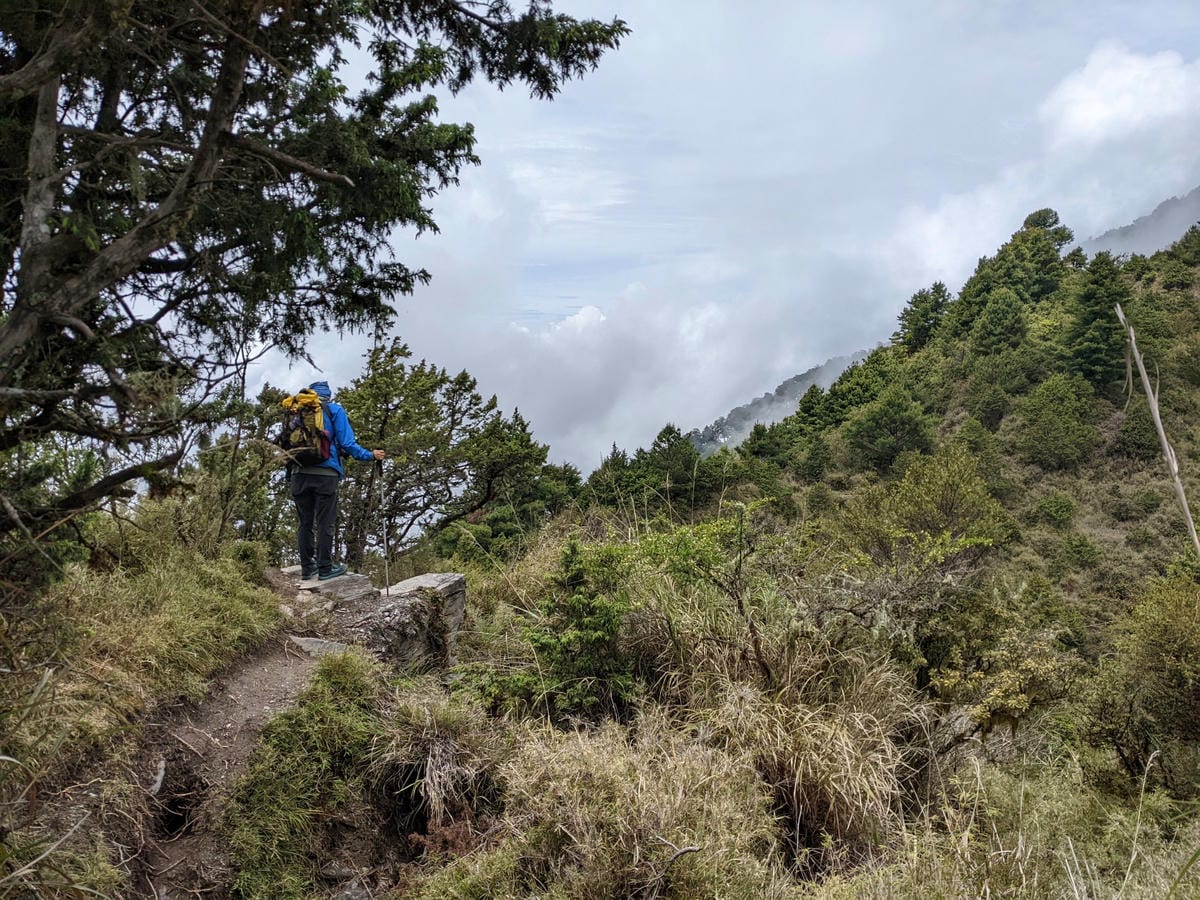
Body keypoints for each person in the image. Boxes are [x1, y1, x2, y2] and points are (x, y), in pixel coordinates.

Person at [290, 380, 385, 581]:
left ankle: (307, 568)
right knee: (325, 522)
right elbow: (347, 443)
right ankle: (325, 568)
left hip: (299, 474)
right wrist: (370, 455)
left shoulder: (297, 410)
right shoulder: (334, 410)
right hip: (326, 474)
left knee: (305, 523)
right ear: (328, 396)